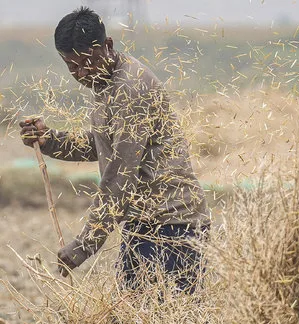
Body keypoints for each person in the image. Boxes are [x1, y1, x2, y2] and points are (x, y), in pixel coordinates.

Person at [19, 7, 209, 293]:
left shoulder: (130, 88)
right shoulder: (104, 82)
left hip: (172, 226)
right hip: (143, 223)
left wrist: (84, 245)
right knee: (137, 323)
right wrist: (50, 140)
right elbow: (101, 143)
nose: (81, 73)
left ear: (107, 46)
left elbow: (119, 176)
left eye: (87, 63)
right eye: (72, 67)